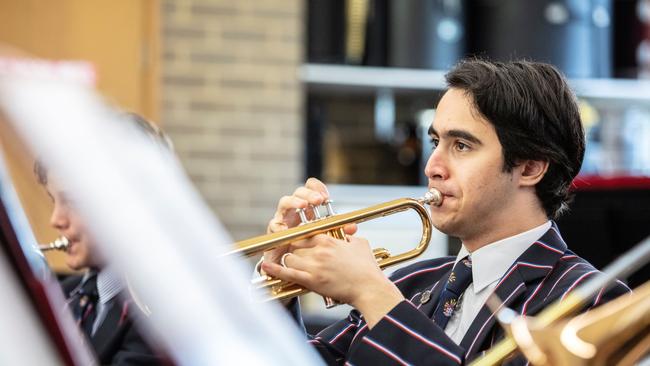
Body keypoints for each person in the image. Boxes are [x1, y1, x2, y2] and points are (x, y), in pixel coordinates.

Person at [261, 59, 632, 365]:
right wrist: (277, 283)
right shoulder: (410, 284)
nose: (432, 166)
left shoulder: (596, 302)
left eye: (462, 145)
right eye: (436, 142)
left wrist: (372, 294)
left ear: (531, 167)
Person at [35, 113, 168, 365]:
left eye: (72, 202)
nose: (56, 219)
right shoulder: (63, 295)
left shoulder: (161, 314)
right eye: (54, 201)